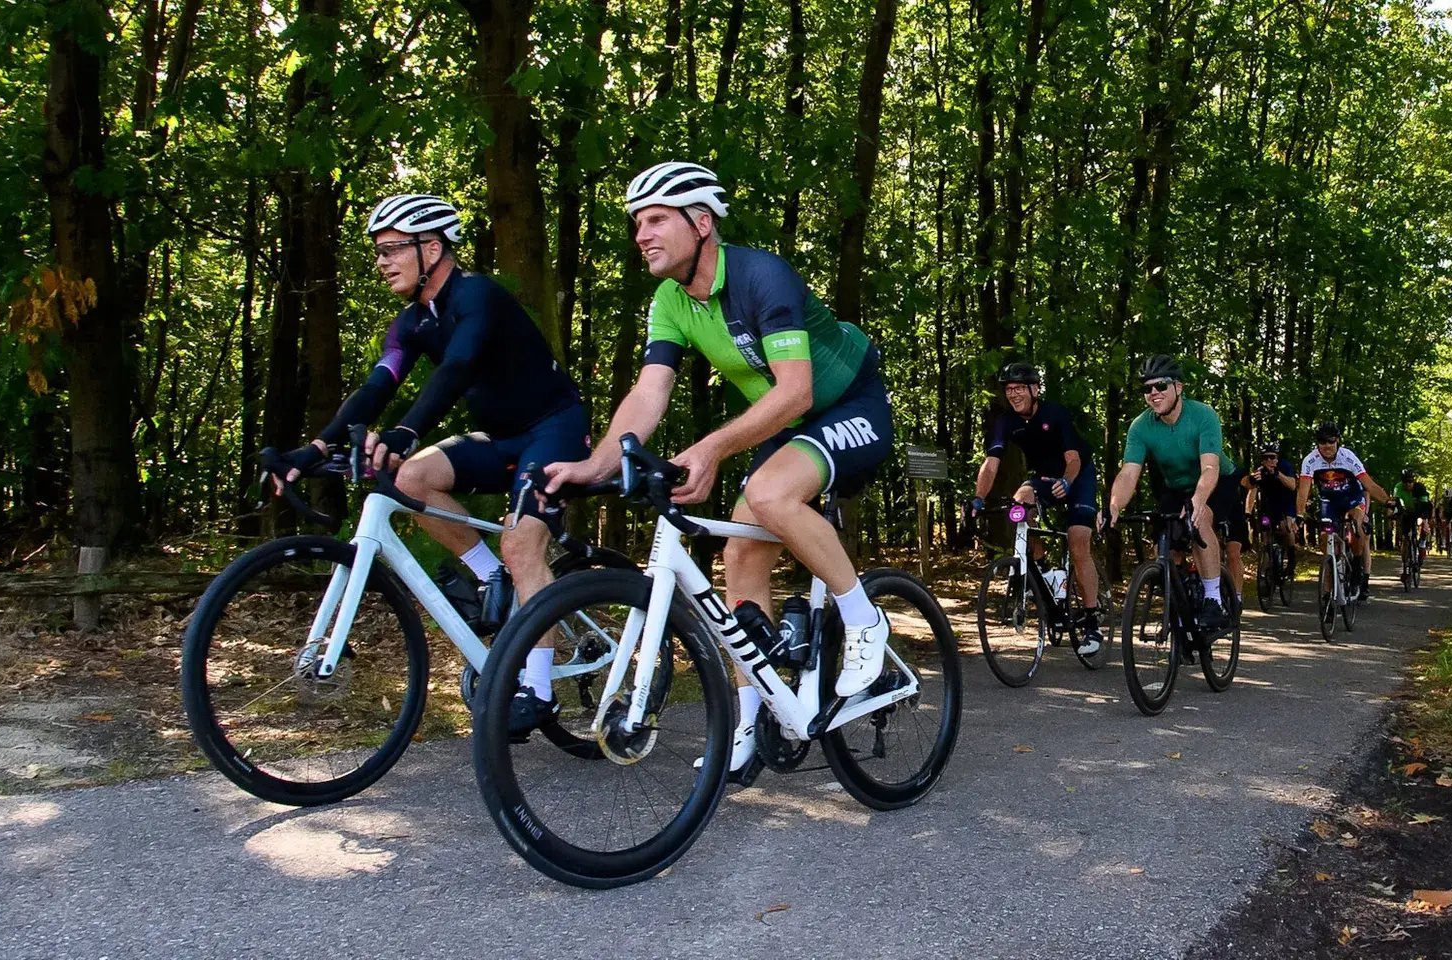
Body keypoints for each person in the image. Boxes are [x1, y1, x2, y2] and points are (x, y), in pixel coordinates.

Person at [543, 162, 894, 773]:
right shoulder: (670, 300)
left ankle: (866, 620)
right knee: (739, 554)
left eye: (656, 219)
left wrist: (709, 449)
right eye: (636, 224)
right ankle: (752, 717)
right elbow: (649, 394)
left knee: (769, 495)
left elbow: (796, 393)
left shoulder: (761, 276)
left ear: (701, 223)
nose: (641, 235)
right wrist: (595, 462)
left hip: (844, 400)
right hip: (783, 418)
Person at [266, 193, 590, 737]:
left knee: (521, 543)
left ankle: (537, 689)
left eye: (393, 248)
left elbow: (459, 366)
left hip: (555, 429)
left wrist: (404, 430)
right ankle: (494, 579)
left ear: (433, 248)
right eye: (378, 252)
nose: (383, 261)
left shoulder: (476, 296)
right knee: (407, 478)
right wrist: (317, 448)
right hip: (502, 436)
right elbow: (377, 385)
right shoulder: (412, 323)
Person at [970, 361, 1104, 656]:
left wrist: (1067, 483)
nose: (1013, 394)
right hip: (1042, 477)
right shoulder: (1006, 422)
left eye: (1019, 388)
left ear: (1034, 389)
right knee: (1020, 503)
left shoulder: (1054, 414)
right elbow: (991, 464)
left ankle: (1093, 622)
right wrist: (978, 498)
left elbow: (1074, 459)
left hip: (1078, 476)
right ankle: (1042, 570)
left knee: (1078, 541)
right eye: (1008, 389)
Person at [1103, 354, 1235, 628]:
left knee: (1200, 518)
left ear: (1179, 387)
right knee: (1165, 541)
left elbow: (1209, 468)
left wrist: (1199, 500)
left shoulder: (1203, 415)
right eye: (1147, 388)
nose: (1153, 393)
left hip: (1217, 480)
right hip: (1175, 486)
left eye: (1161, 386)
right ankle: (1181, 595)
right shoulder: (1140, 426)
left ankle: (1213, 599)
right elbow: (1129, 472)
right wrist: (1114, 505)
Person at [1293, 423, 1391, 600]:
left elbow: (1369, 484)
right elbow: (1303, 490)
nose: (1327, 446)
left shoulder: (1348, 457)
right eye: (1322, 442)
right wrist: (1299, 514)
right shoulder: (1310, 460)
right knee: (1325, 539)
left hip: (1352, 499)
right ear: (1317, 443)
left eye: (1331, 441)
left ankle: (1356, 564)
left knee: (1357, 523)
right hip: (1329, 502)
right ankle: (1328, 589)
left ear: (1337, 441)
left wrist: (1388, 502)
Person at [1242, 443, 1299, 575]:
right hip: (1269, 503)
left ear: (1277, 458)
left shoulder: (1285, 466)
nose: (1269, 461)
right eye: (1265, 458)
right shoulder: (1260, 470)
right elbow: (1252, 491)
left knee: (1287, 527)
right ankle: (1269, 560)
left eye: (1272, 457)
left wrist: (1277, 474)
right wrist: (1247, 512)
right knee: (1265, 527)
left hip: (1286, 502)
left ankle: (1291, 560)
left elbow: (1292, 485)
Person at [1392, 467, 1433, 565]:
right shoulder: (1398, 487)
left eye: (1410, 482)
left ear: (1414, 481)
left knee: (1423, 525)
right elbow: (1395, 502)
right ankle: (1406, 564)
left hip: (1421, 510)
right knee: (1406, 536)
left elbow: (1425, 507)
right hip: (1407, 511)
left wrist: (1425, 522)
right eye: (1405, 482)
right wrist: (1393, 514)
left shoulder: (1420, 488)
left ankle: (1422, 544)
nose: (1408, 484)